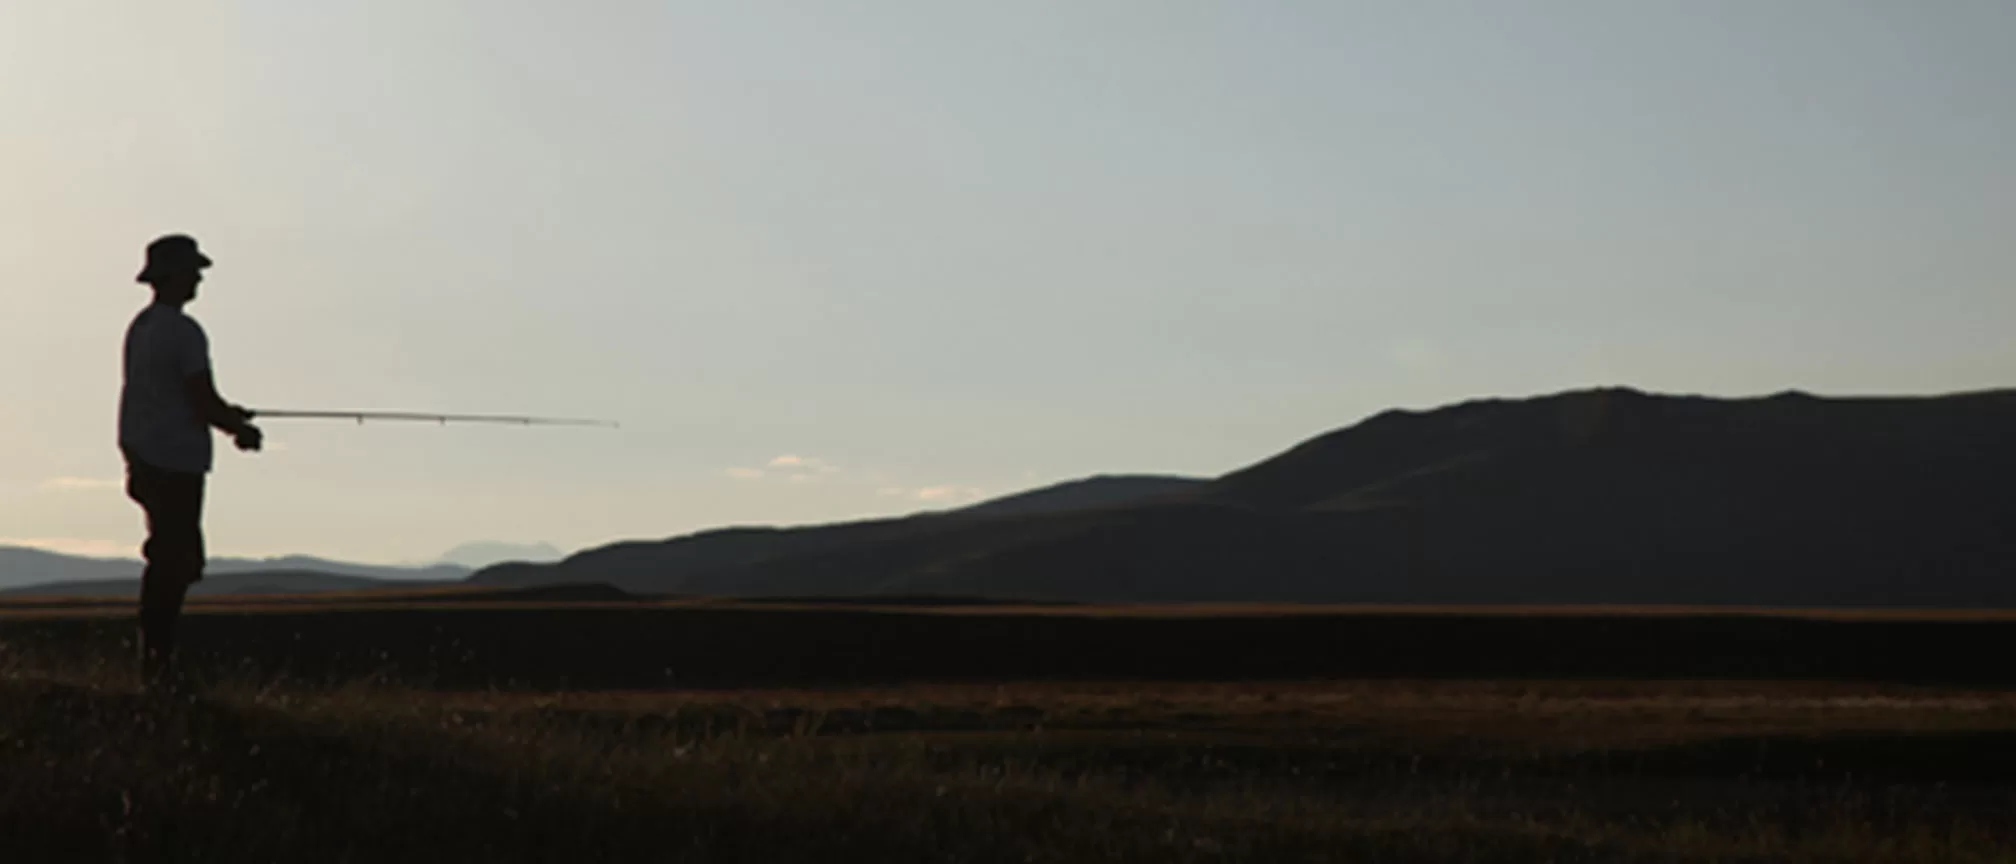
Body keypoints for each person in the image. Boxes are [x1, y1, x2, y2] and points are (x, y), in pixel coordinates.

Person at [120, 234, 262, 689]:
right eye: (193, 270)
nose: (199, 277)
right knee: (176, 562)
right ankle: (158, 669)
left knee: (169, 557)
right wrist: (239, 428)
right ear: (175, 276)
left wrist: (226, 415)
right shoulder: (184, 331)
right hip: (174, 460)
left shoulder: (140, 327)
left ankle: (156, 663)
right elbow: (201, 398)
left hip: (143, 454)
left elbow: (183, 396)